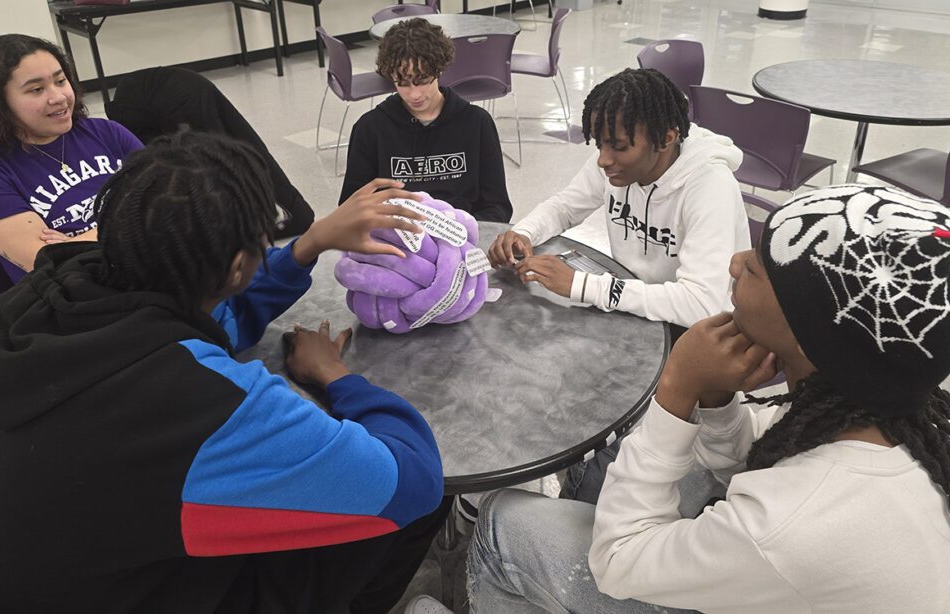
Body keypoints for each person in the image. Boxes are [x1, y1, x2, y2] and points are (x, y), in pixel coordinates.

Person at [0, 130, 451, 614]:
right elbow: (413, 477)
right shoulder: (206, 404)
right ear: (239, 268)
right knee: (417, 506)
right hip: (154, 589)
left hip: (71, 578)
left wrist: (310, 243)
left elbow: (216, 317)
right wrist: (338, 376)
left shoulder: (67, 291)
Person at [465, 184, 950, 613]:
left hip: (744, 561)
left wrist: (679, 385)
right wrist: (716, 397)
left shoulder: (794, 524)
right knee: (626, 450)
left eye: (758, 268)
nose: (735, 262)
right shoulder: (876, 401)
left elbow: (618, 563)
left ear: (811, 337)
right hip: (784, 576)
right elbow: (748, 456)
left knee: (504, 518)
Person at [488, 68, 748, 330]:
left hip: (697, 331)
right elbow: (564, 208)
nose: (603, 160)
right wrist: (524, 233)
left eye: (619, 147)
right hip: (633, 303)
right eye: (600, 145)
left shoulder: (710, 187)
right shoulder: (616, 164)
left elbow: (700, 304)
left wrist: (581, 285)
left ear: (666, 139)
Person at [0, 34, 143, 283]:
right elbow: (55, 264)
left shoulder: (106, 133)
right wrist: (136, 217)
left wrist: (78, 241)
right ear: (0, 103)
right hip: (85, 301)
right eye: (37, 89)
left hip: (149, 270)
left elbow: (172, 198)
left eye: (61, 81)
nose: (59, 97)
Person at [106, 65, 315, 238]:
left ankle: (257, 221)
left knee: (215, 162)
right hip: (189, 87)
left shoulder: (123, 130)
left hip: (178, 101)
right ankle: (290, 212)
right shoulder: (123, 121)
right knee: (240, 147)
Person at [339, 18, 513, 223]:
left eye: (422, 81)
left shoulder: (477, 123)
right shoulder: (370, 129)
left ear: (439, 69)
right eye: (402, 83)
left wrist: (462, 231)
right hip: (397, 240)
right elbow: (351, 208)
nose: (414, 94)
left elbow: (497, 206)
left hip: (463, 237)